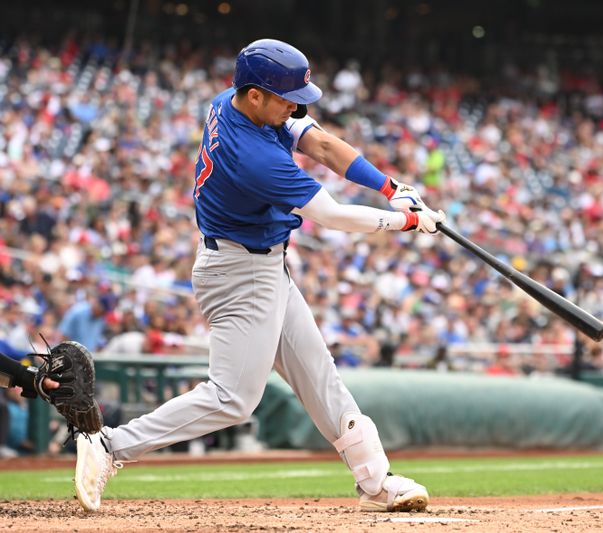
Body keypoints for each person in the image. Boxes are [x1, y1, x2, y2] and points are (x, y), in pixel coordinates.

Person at [74, 39, 442, 514]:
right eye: (286, 98)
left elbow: (323, 144)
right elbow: (330, 216)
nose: (294, 107)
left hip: (262, 265)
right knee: (233, 397)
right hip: (240, 272)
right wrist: (406, 221)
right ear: (255, 95)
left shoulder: (234, 103)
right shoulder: (253, 156)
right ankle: (110, 445)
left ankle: (375, 480)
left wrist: (392, 187)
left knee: (318, 374)